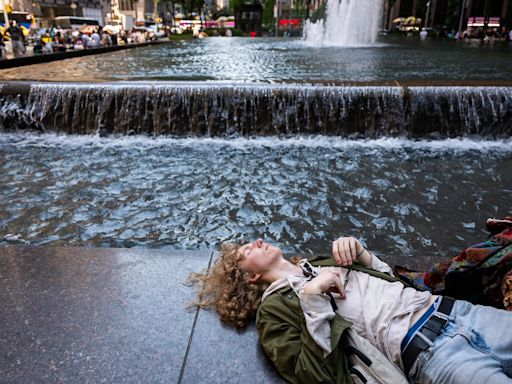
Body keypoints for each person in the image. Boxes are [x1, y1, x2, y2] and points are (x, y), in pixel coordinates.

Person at [195, 237, 512, 384]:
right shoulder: (273, 313)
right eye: (245, 251)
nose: (257, 241)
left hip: (456, 312)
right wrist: (312, 297)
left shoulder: (319, 262)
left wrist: (363, 255)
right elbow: (311, 372)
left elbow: (390, 284)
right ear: (249, 277)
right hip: (432, 353)